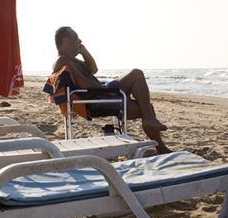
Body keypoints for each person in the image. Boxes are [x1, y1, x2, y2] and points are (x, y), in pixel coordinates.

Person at [53, 26, 171, 154]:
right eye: (76, 38)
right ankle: (150, 123)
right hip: (97, 98)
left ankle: (160, 146)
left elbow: (93, 69)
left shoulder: (71, 60)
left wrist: (85, 52)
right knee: (137, 74)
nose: (80, 41)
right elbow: (84, 84)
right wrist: (104, 88)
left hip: (97, 96)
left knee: (147, 108)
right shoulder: (63, 60)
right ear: (66, 41)